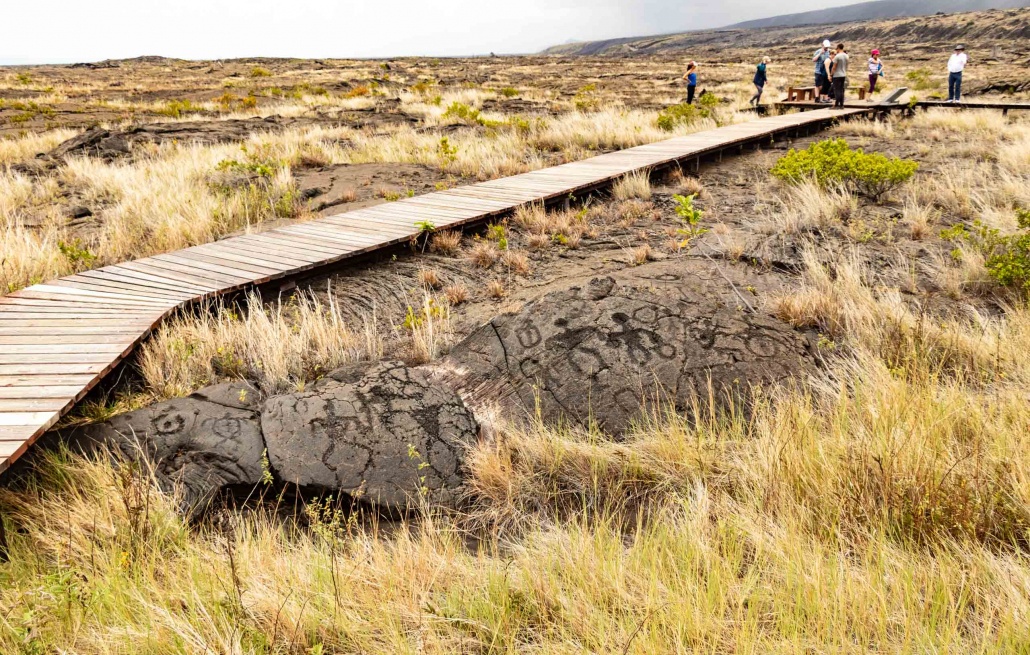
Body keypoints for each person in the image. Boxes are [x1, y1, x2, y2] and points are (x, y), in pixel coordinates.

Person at [829, 43, 849, 109]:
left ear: (838, 48)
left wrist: (831, 74)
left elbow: (834, 67)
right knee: (841, 89)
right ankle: (841, 105)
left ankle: (837, 105)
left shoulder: (837, 56)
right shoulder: (846, 56)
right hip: (843, 74)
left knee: (836, 90)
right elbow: (847, 65)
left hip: (837, 75)